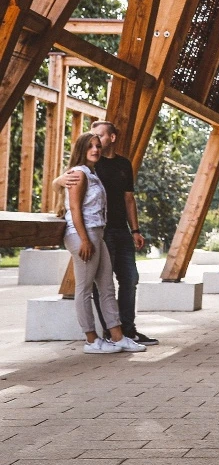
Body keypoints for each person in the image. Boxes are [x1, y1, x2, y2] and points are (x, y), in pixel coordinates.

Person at [54, 121, 157, 346]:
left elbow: (128, 198)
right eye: (91, 143)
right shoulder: (83, 171)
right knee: (88, 287)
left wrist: (135, 230)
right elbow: (73, 205)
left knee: (118, 283)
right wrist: (58, 181)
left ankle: (122, 334)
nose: (96, 147)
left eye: (98, 141)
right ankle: (94, 338)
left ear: (111, 138)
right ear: (83, 149)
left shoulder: (105, 168)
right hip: (89, 234)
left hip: (106, 232)